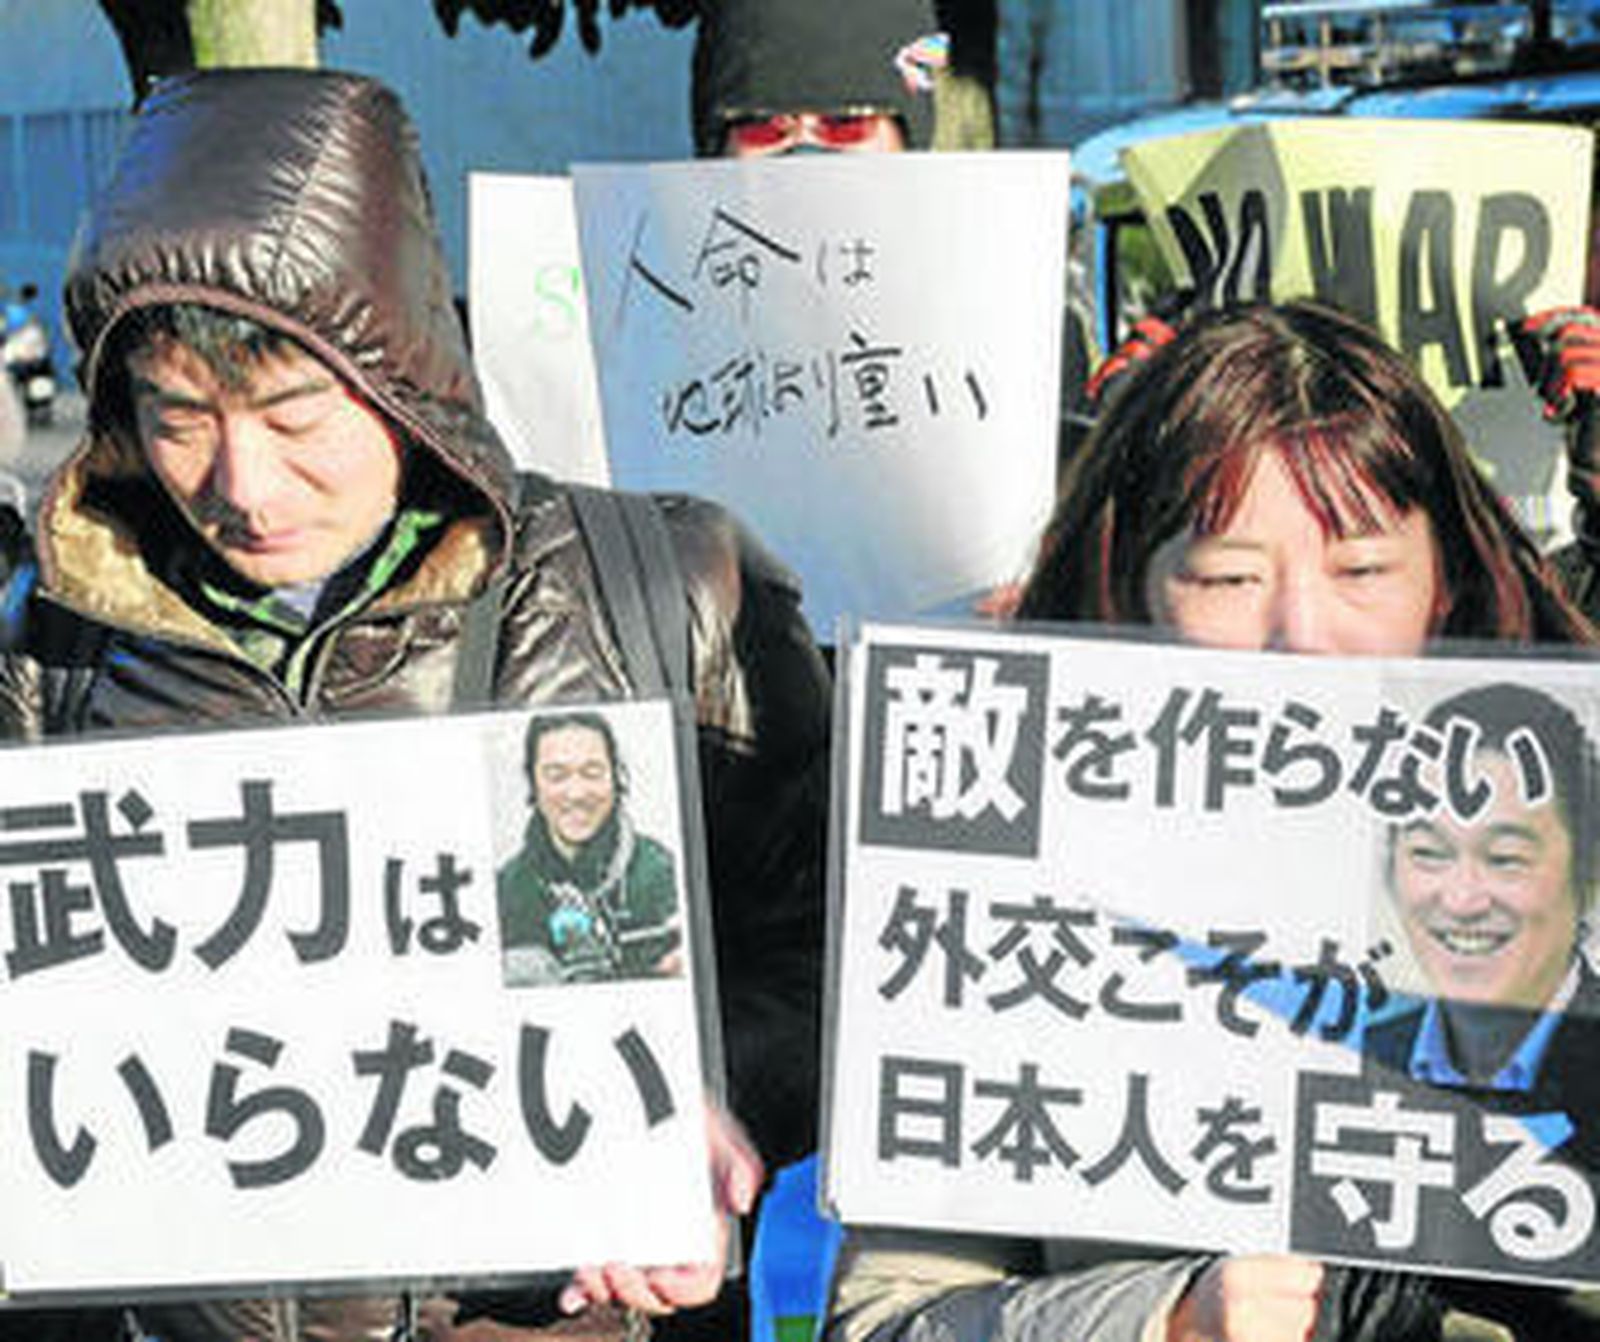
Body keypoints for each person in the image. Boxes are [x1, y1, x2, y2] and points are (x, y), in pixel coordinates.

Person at [0, 67, 831, 1342]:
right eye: (178, 418)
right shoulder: (55, 648)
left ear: (402, 372)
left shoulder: (658, 581)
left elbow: (833, 952)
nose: (243, 483)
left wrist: (710, 1102)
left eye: (295, 413)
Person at [826, 300, 1595, 1342]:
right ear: (1129, 585)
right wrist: (1161, 1316)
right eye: (1228, 577)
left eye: (1361, 569)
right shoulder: (1005, 892)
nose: (1301, 634)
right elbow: (883, 1320)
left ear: (1445, 582)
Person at [1368, 682, 1600, 1136]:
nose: (1461, 901)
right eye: (1429, 853)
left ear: (1589, 878)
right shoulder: (1354, 1057)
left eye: (1505, 859)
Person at [498, 711, 681, 985]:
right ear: (532, 783)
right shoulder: (505, 890)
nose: (576, 793)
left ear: (616, 777)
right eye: (556, 775)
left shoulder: (664, 874)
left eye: (592, 773)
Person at [690, 0, 943, 158]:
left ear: (903, 139)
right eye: (762, 127)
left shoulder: (970, 239)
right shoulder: (659, 234)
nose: (804, 145)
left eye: (844, 125)